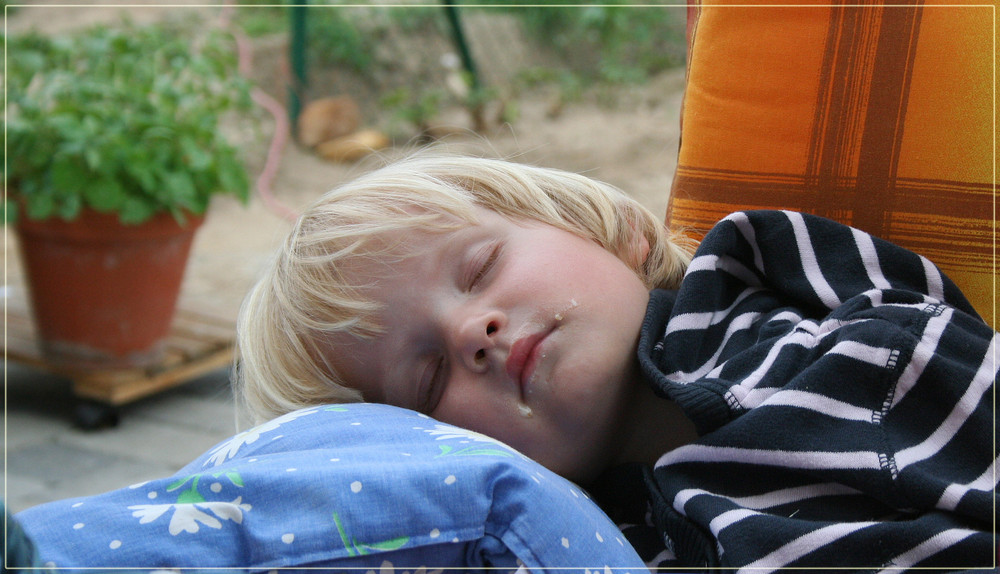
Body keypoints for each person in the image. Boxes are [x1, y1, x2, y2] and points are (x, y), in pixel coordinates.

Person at [234, 152, 997, 569]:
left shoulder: (855, 353)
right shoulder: (561, 548)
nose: (474, 329)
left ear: (611, 233)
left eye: (477, 269)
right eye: (427, 377)